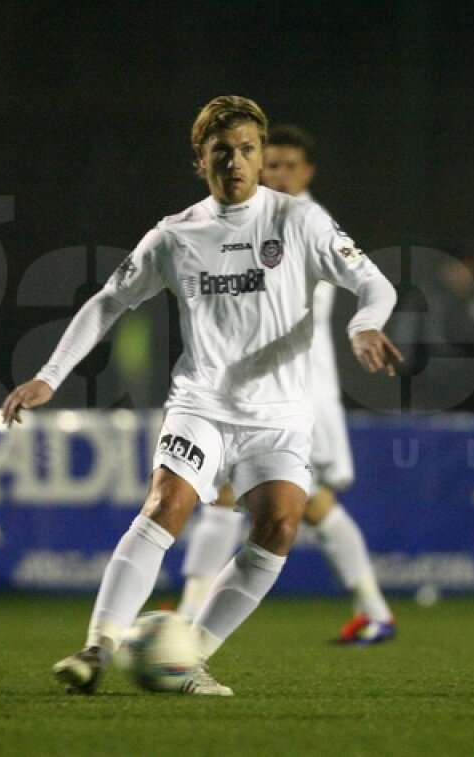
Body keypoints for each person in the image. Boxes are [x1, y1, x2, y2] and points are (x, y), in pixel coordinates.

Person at [0, 97, 401, 696]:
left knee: (282, 525)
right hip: (202, 403)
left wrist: (363, 323)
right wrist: (49, 376)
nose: (235, 162)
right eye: (222, 152)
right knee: (168, 503)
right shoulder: (176, 234)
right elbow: (109, 301)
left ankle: (188, 659)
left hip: (280, 414)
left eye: (246, 150)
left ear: (262, 156)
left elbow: (374, 282)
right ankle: (97, 648)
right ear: (201, 161)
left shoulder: (301, 222)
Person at [176, 125, 395, 644]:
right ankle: (376, 610)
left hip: (295, 391)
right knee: (312, 505)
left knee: (222, 492)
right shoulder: (259, 219)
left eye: (287, 166)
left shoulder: (306, 224)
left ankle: (186, 620)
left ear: (307, 172)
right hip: (266, 389)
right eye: (269, 164)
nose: (276, 174)